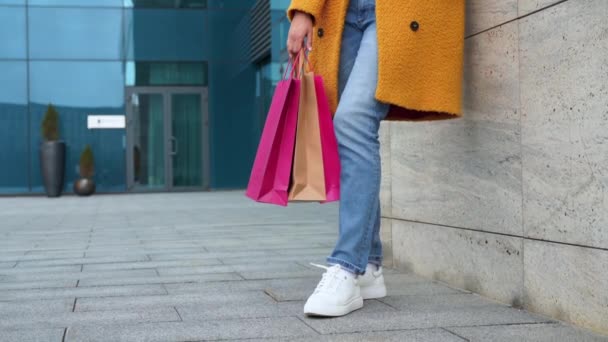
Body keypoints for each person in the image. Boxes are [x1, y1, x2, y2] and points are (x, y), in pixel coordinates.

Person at [286, 0, 465, 317]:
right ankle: (369, 266)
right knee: (348, 129)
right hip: (342, 10)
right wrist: (303, 9)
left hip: (400, 10)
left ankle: (346, 263)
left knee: (352, 121)